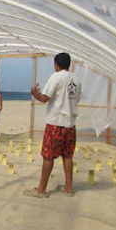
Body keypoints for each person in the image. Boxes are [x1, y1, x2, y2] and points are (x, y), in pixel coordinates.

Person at [24, 52, 82, 198]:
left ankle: (41, 190)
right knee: (67, 156)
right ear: (68, 64)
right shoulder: (76, 79)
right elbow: (76, 100)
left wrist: (34, 93)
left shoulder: (56, 77)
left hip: (56, 124)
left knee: (48, 156)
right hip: (70, 125)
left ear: (56, 64)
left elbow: (44, 98)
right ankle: (69, 188)